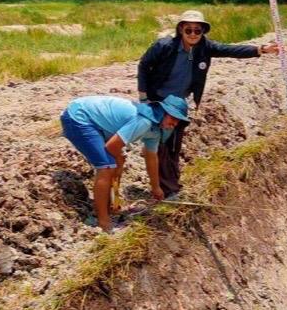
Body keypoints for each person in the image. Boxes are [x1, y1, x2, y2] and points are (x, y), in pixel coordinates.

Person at [137, 10, 279, 198]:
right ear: (181, 29)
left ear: (203, 31)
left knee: (174, 145)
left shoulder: (205, 47)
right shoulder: (164, 46)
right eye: (189, 30)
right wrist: (144, 96)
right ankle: (167, 189)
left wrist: (260, 49)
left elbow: (230, 50)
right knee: (162, 144)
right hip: (159, 102)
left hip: (178, 104)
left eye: (198, 30)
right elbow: (144, 66)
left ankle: (172, 183)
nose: (193, 34)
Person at [60, 94, 191, 232]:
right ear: (163, 112)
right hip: (79, 116)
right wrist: (118, 158)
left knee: (113, 164)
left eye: (178, 122)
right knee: (106, 167)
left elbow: (151, 156)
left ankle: (111, 207)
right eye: (173, 118)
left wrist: (156, 187)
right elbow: (111, 147)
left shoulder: (157, 130)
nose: (174, 124)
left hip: (96, 123)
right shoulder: (145, 121)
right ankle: (104, 223)